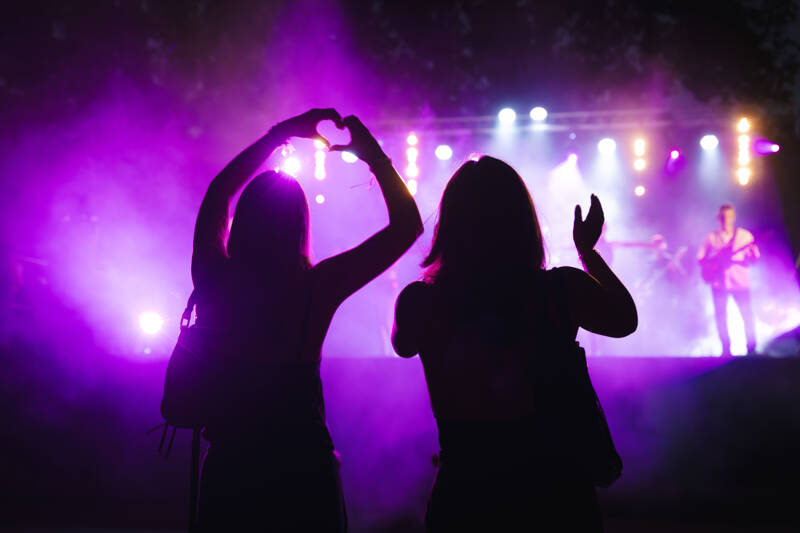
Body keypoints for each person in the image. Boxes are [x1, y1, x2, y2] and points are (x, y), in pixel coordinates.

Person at [191, 109, 423, 531]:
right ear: (300, 224)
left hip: (232, 465)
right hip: (302, 465)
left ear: (242, 221)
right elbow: (408, 227)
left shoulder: (215, 276)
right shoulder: (316, 288)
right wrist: (373, 155)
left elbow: (219, 192)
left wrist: (278, 135)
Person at [391, 156, 637, 532]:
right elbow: (624, 320)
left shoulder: (420, 302)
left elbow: (403, 343)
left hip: (466, 494)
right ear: (523, 222)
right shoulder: (560, 289)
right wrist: (588, 253)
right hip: (556, 495)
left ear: (451, 226)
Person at [697, 203, 760, 356]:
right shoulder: (711, 238)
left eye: (729, 216)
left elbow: (754, 260)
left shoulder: (745, 236)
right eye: (724, 217)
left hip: (740, 282)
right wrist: (713, 264)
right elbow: (701, 259)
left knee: (747, 315)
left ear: (734, 217)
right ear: (719, 218)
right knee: (721, 317)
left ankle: (751, 349)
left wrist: (752, 255)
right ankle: (726, 350)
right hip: (719, 284)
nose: (726, 220)